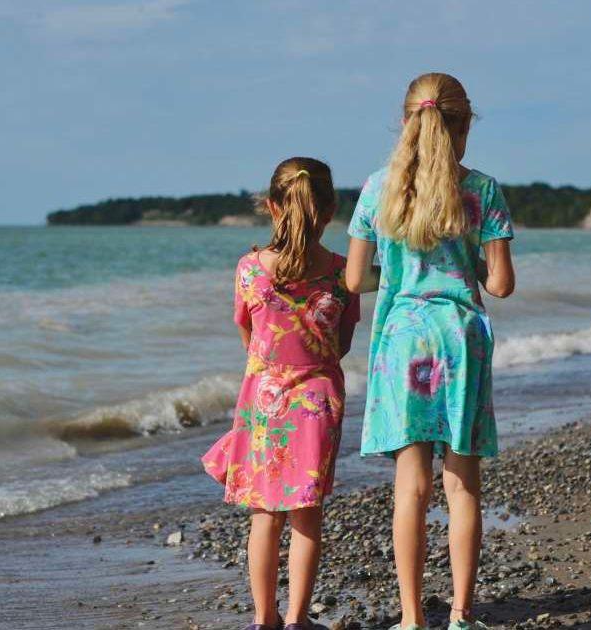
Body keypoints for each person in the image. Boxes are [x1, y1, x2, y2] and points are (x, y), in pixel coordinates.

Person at [344, 72, 515, 630]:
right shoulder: (482, 190)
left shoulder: (378, 188)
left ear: (406, 122)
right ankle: (462, 616)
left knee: (411, 486)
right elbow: (501, 284)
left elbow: (353, 279)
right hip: (459, 338)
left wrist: (397, 272)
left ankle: (413, 620)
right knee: (462, 483)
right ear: (464, 126)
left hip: (404, 341)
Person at [202, 157, 361, 630]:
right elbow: (343, 342)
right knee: (306, 514)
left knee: (264, 515)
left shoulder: (250, 268)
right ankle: (297, 619)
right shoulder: (340, 272)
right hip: (318, 399)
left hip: (262, 398)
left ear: (272, 207)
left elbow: (247, 334)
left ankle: (263, 618)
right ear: (331, 211)